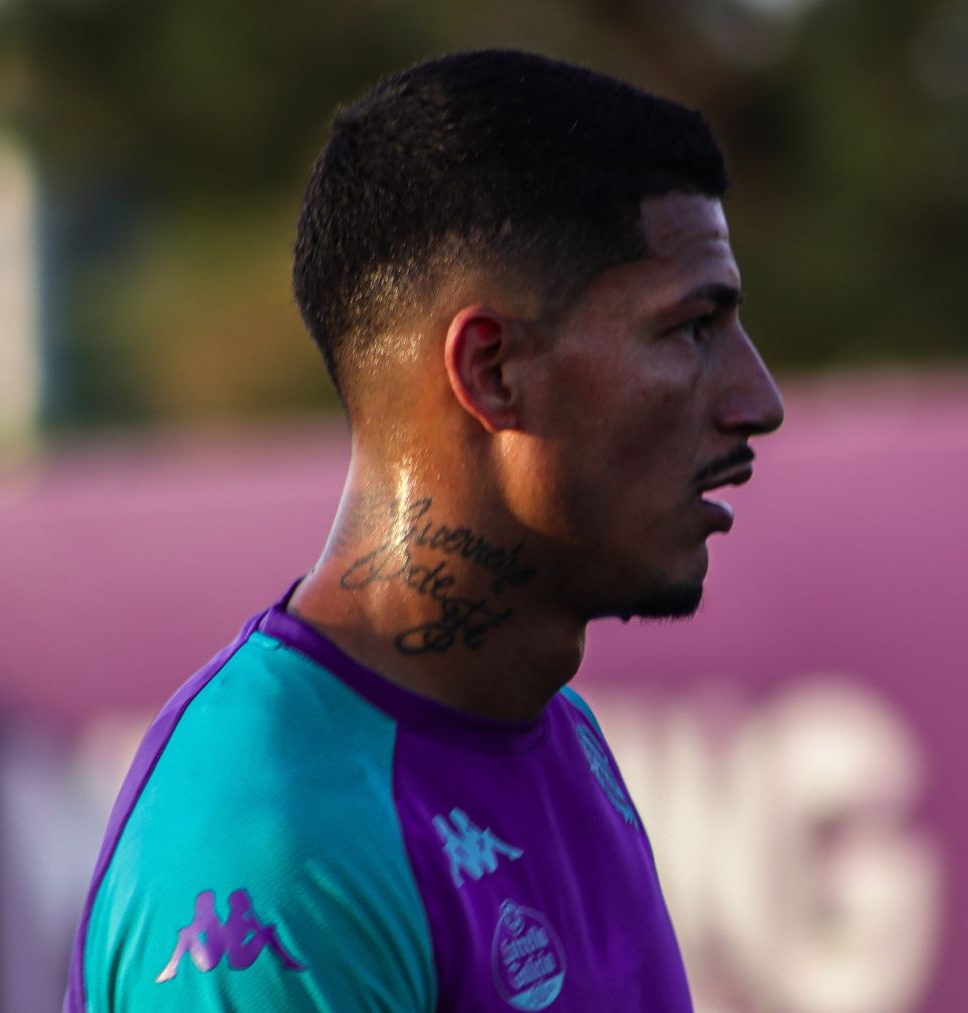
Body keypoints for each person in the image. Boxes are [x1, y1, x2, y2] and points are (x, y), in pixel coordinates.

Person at [66, 48, 784, 1012]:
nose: (757, 400)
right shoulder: (278, 851)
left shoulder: (554, 733)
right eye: (692, 328)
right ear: (490, 370)